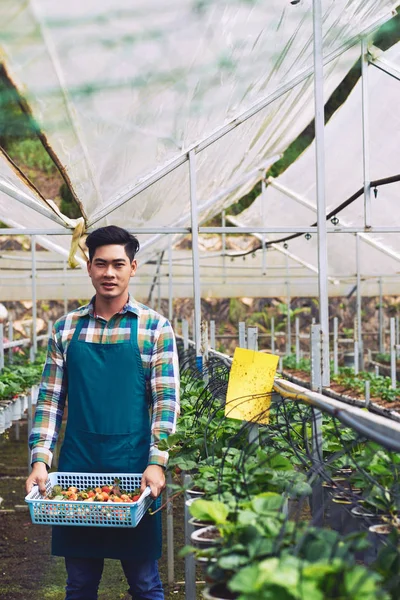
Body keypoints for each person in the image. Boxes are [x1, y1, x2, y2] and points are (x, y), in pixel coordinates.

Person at [25, 225, 180, 600]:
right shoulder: (66, 329)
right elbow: (50, 401)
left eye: (118, 264)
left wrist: (157, 462)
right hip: (77, 467)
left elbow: (165, 401)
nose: (109, 273)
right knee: (79, 583)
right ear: (89, 268)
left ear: (133, 267)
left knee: (144, 582)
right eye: (100, 264)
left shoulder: (154, 328)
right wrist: (40, 461)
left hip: (134, 468)